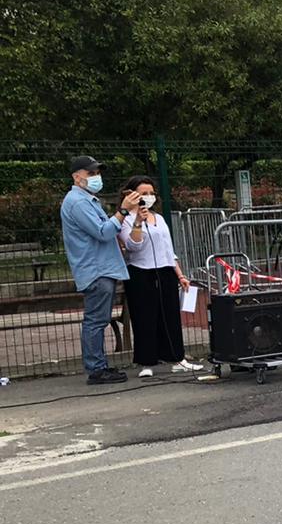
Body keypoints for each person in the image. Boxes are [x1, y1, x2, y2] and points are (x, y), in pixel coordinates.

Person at [60, 156, 141, 385]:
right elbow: (102, 232)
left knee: (98, 319)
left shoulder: (85, 199)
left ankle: (99, 365)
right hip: (96, 269)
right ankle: (96, 369)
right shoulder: (78, 202)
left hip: (100, 267)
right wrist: (123, 211)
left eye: (97, 173)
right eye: (91, 174)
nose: (96, 178)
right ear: (77, 177)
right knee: (96, 320)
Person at [118, 176, 203, 377]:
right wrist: (138, 221)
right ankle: (146, 362)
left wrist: (180, 275)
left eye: (151, 193)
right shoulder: (126, 219)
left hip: (164, 270)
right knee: (145, 316)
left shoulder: (161, 219)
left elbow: (168, 250)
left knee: (170, 314)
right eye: (143, 193)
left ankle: (177, 357)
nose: (148, 197)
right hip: (140, 271)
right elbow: (133, 246)